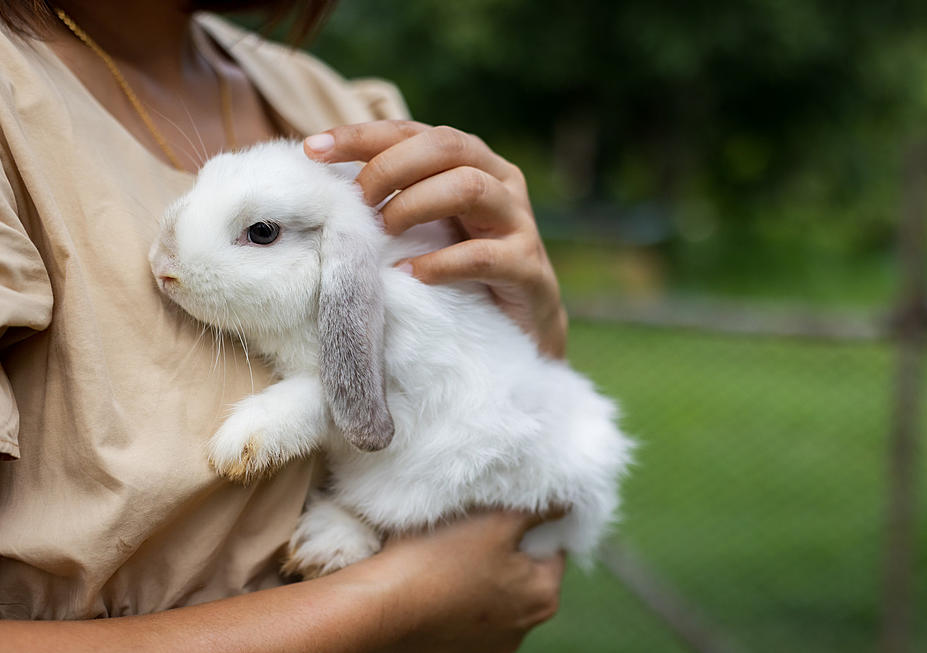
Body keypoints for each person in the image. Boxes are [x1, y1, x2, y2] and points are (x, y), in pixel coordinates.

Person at [0, 1, 569, 650]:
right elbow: (467, 588)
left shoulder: (338, 105)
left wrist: (533, 327)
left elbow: (515, 568)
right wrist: (401, 597)